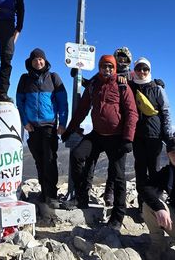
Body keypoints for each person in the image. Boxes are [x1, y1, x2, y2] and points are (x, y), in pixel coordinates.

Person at [63, 55, 139, 230]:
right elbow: (82, 109)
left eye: (110, 67)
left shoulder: (122, 85)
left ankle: (118, 216)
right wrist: (70, 129)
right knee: (78, 155)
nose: (107, 69)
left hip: (117, 136)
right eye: (104, 66)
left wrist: (128, 138)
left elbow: (131, 113)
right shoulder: (93, 85)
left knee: (118, 176)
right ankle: (81, 197)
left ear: (114, 68)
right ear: (99, 67)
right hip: (97, 134)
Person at [16, 48, 69, 209]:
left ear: (45, 61)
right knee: (39, 161)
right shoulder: (25, 79)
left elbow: (63, 103)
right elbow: (20, 103)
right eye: (35, 60)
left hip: (49, 126)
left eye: (40, 59)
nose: (38, 62)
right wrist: (25, 122)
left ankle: (51, 193)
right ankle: (44, 191)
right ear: (30, 62)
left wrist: (63, 123)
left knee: (50, 160)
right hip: (32, 127)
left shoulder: (54, 77)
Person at [128, 57, 172, 210]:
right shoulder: (131, 86)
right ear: (135, 70)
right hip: (137, 136)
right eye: (139, 69)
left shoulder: (157, 88)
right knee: (140, 170)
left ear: (149, 70)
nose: (142, 72)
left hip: (154, 135)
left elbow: (166, 111)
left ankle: (155, 206)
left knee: (154, 171)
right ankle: (142, 206)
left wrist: (168, 133)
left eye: (145, 69)